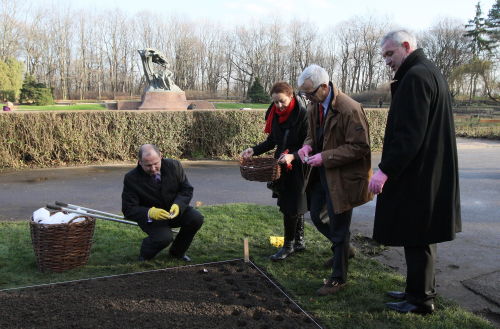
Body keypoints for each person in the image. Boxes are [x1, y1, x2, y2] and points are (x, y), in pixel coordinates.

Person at [369, 30, 461, 315]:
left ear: (406, 47)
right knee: (419, 236)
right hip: (427, 171)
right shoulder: (427, 72)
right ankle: (417, 290)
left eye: (389, 54)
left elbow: (410, 135)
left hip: (419, 174)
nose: (386, 61)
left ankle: (420, 300)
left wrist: (385, 170)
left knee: (418, 237)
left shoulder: (416, 77)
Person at [296, 64, 373, 296]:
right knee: (318, 216)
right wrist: (307, 145)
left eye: (309, 93)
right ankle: (344, 250)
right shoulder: (314, 106)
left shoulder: (350, 108)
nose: (307, 98)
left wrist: (325, 157)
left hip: (343, 178)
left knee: (339, 229)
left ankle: (338, 279)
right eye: (304, 94)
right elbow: (312, 134)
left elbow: (360, 147)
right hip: (322, 174)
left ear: (324, 87)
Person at [241, 81, 308, 261]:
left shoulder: (303, 115)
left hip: (298, 163)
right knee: (291, 203)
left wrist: (293, 156)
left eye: (282, 101)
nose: (278, 106)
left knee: (292, 205)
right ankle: (299, 241)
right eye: (275, 102)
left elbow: (308, 144)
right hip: (281, 163)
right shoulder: (275, 114)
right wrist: (253, 150)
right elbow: (273, 141)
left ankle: (288, 246)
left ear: (291, 97)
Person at [122, 144, 204, 262]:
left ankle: (177, 252)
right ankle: (145, 254)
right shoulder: (131, 178)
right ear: (140, 162)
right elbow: (128, 209)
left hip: (174, 211)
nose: (153, 168)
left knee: (196, 218)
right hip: (152, 219)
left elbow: (186, 189)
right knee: (164, 238)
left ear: (161, 156)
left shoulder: (174, 166)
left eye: (156, 163)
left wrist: (178, 205)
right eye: (148, 165)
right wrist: (150, 212)